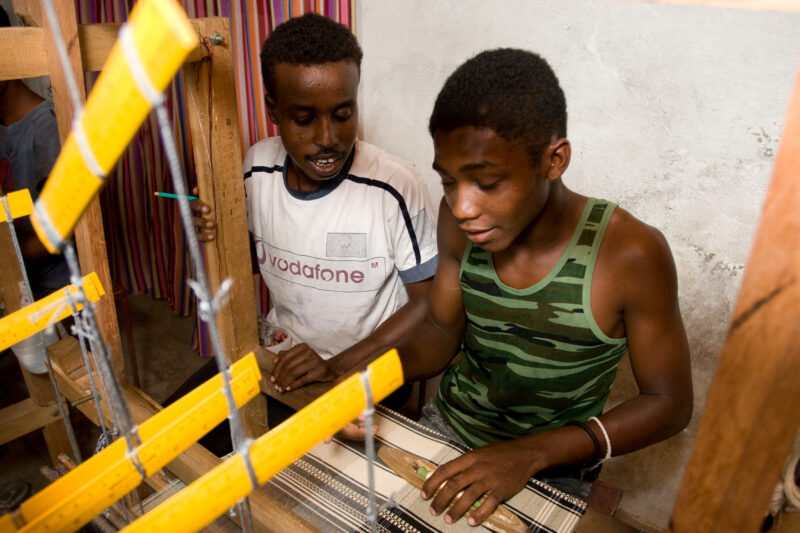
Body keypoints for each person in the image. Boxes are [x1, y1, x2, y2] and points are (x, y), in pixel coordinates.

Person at [388, 48, 693, 526]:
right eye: (448, 181)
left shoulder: (630, 255)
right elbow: (441, 332)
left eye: (486, 182)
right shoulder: (460, 221)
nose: (462, 206)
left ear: (554, 160)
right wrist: (364, 383)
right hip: (452, 427)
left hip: (555, 464)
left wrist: (528, 455)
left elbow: (669, 404)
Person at [191, 13, 437, 406]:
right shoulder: (257, 168)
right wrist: (215, 233)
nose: (328, 139)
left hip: (364, 366)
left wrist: (338, 366)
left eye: (343, 115)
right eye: (303, 119)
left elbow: (428, 303)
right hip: (282, 354)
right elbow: (255, 263)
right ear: (273, 110)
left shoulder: (394, 187)